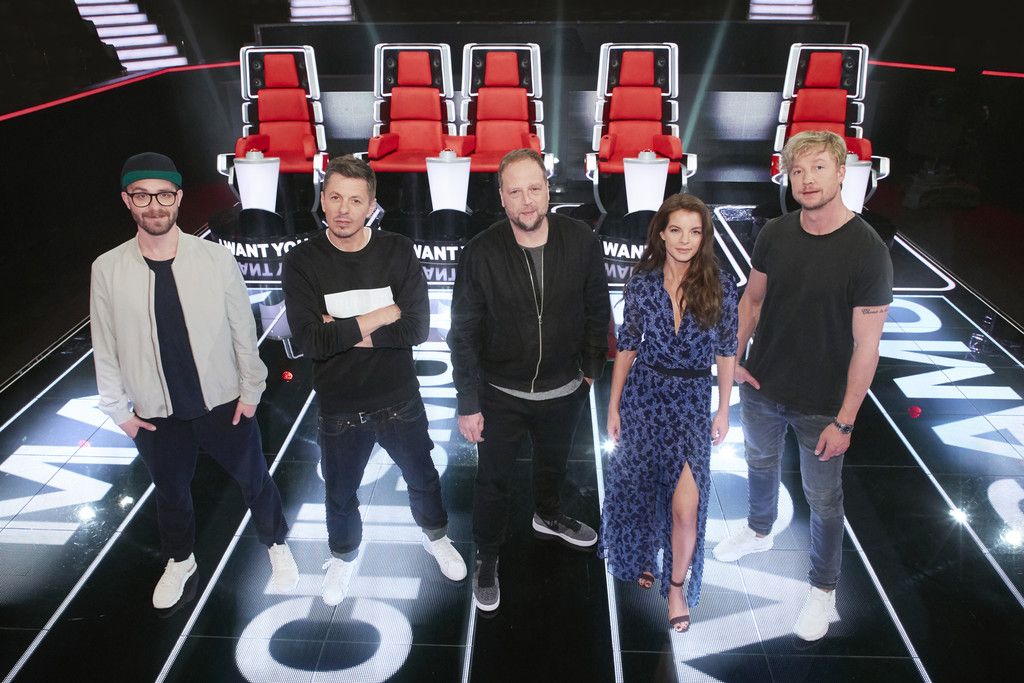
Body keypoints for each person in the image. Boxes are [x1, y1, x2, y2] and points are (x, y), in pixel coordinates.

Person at [90, 152, 298, 610]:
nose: (155, 205)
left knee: (254, 479)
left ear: (179, 197)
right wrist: (118, 411)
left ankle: (276, 544)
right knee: (170, 493)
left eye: (164, 195)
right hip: (154, 411)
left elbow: (243, 328)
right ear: (127, 200)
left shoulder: (215, 258)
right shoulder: (107, 268)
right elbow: (104, 343)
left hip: (223, 400)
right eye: (142, 196)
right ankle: (180, 560)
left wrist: (252, 389)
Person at [712, 130, 893, 641]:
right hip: (763, 385)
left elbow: (867, 346)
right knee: (759, 463)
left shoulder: (868, 251)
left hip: (823, 405)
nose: (807, 180)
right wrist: (733, 360)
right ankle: (759, 529)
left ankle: (823, 590)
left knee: (824, 500)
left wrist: (846, 420)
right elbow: (752, 301)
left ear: (842, 174)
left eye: (818, 168)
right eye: (797, 171)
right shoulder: (774, 232)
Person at [283, 155, 466, 607]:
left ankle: (436, 536)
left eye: (355, 200)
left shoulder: (397, 250)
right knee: (340, 493)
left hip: (399, 399)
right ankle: (343, 556)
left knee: (423, 477)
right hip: (339, 405)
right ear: (322, 199)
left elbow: (416, 329)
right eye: (335, 198)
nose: (344, 209)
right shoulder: (302, 260)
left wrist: (341, 330)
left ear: (371, 206)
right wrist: (382, 314)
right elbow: (311, 342)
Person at [448, 148, 612, 612]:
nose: (526, 201)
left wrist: (590, 369)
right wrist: (468, 400)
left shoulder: (581, 240)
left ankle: (548, 515)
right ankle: (487, 555)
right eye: (515, 191)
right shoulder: (480, 252)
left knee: (553, 465)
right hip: (501, 393)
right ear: (501, 197)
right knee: (493, 481)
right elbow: (463, 332)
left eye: (534, 189)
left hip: (565, 388)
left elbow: (597, 308)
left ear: (547, 190)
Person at [599, 194, 737, 632]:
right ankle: (644, 556)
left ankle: (676, 586)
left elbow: (727, 351)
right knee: (640, 489)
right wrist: (614, 405)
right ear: (661, 233)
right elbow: (627, 345)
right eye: (676, 230)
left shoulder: (722, 285)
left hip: (691, 405)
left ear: (704, 236)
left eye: (694, 231)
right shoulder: (642, 284)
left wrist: (723, 410)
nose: (684, 240)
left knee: (685, 508)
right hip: (644, 397)